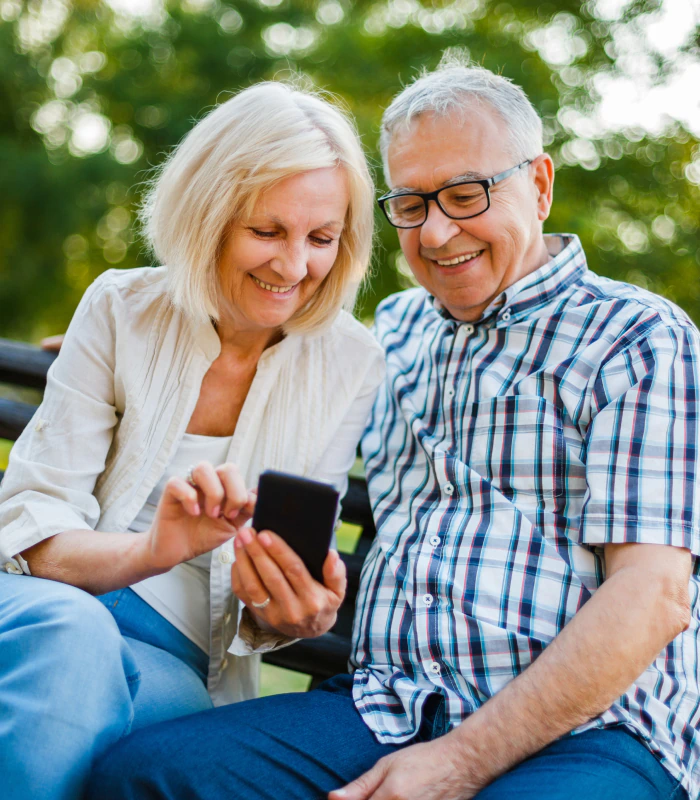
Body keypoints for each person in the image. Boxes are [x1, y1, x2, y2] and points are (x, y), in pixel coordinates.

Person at [86, 56, 700, 800]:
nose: (437, 231)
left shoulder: (637, 337)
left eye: (466, 194)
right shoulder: (392, 335)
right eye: (410, 203)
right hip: (385, 705)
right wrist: (118, 344)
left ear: (539, 186)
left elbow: (653, 595)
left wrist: (459, 763)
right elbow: (252, 349)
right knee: (143, 779)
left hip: (589, 733)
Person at [0, 81, 385, 800]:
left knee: (158, 726)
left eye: (322, 238)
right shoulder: (122, 308)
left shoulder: (351, 362)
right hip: (45, 606)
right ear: (207, 214)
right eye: (267, 231)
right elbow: (31, 524)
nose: (294, 266)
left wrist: (290, 609)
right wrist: (156, 550)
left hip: (179, 663)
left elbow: (275, 595)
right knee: (72, 642)